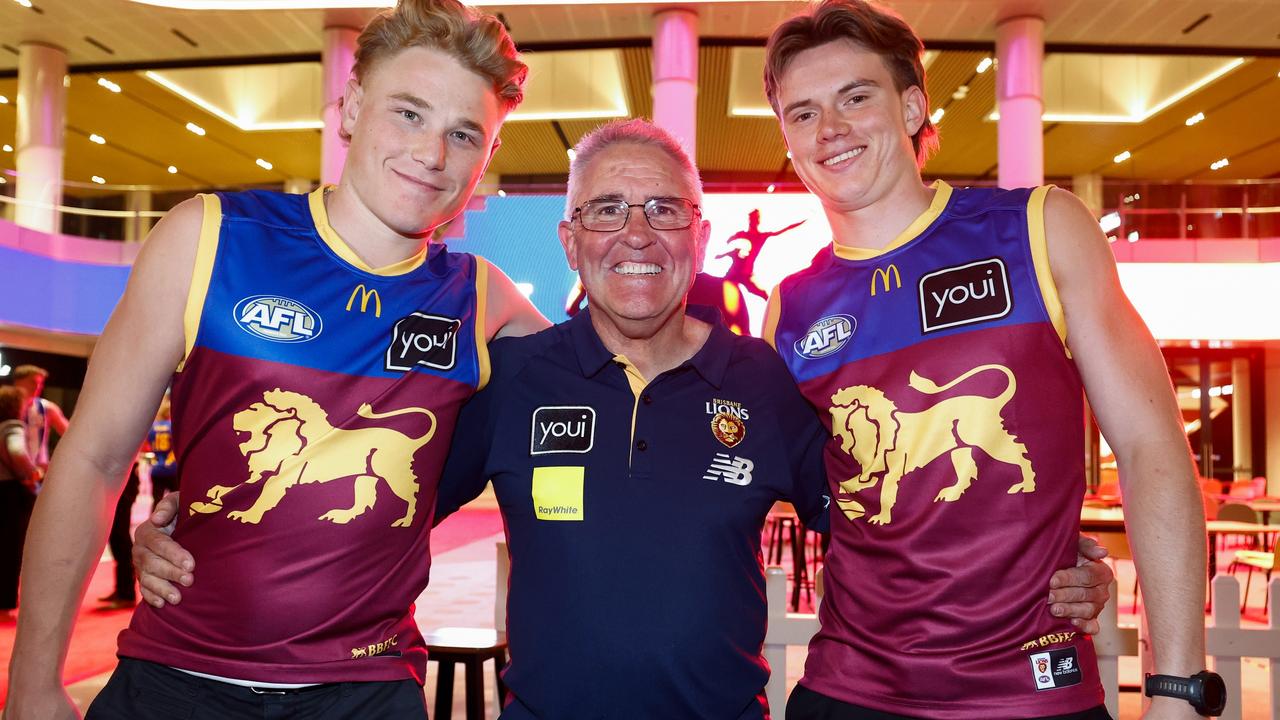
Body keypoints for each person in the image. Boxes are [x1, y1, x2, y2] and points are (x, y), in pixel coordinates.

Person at [137, 119, 1114, 719]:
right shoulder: (515, 378)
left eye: (661, 209)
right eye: (606, 210)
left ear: (698, 231)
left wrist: (1053, 562)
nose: (635, 234)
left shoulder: (766, 385)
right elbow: (363, 508)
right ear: (568, 239)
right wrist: (186, 535)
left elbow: (890, 517)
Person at [5, 0, 546, 717]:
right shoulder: (210, 238)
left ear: (488, 155)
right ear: (350, 108)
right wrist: (35, 683)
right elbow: (95, 460)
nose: (433, 154)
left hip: (368, 694)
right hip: (176, 680)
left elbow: (619, 373)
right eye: (408, 113)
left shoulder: (482, 298)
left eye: (463, 133)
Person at [759, 2, 1209, 718]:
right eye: (803, 113)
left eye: (855, 97)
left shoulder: (1041, 228)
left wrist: (1179, 689)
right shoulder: (792, 308)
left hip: (1033, 696)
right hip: (847, 693)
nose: (830, 129)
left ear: (911, 106)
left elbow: (1152, 448)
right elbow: (818, 497)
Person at [0, 385, 39, 615]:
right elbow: (16, 451)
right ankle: (5, 600)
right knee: (12, 548)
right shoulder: (13, 427)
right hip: (11, 494)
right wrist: (30, 473)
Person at [11, 365, 69, 479]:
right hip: (10, 472)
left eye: (41, 383)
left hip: (38, 472)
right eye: (33, 382)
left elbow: (71, 436)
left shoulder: (47, 408)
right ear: (18, 382)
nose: (38, 386)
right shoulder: (5, 405)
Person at [145, 393, 178, 507]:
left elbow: (148, 445)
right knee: (176, 503)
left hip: (157, 468)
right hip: (172, 468)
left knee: (156, 501)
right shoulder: (173, 426)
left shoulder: (152, 427)